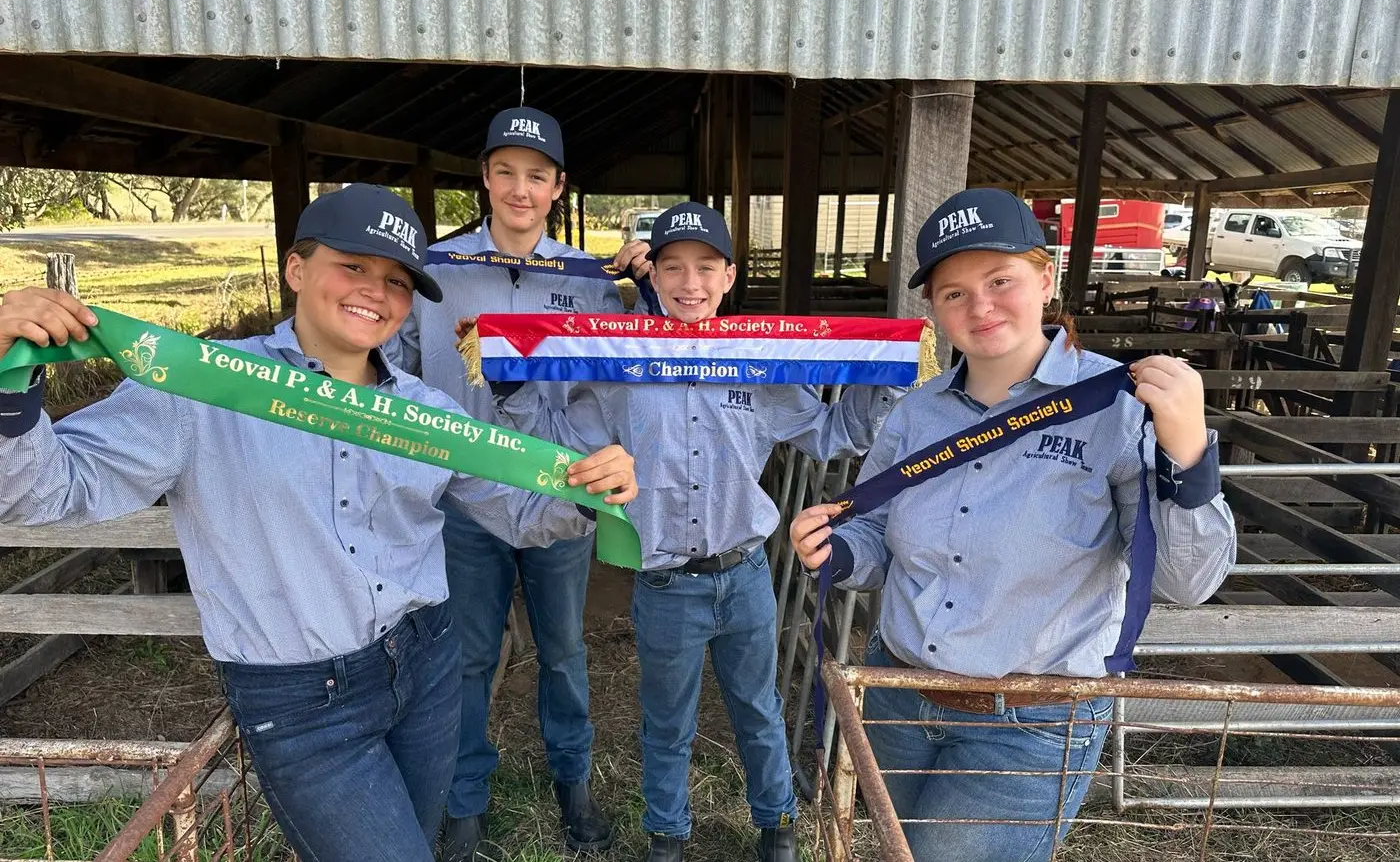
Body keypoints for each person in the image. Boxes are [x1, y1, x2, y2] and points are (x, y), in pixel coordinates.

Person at [0, 184, 638, 862]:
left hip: (424, 663)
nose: (377, 291)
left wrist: (590, 492)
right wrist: (12, 382)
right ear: (296, 269)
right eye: (353, 266)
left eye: (396, 280)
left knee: (416, 842)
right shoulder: (199, 390)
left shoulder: (429, 414)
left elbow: (516, 512)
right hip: (304, 702)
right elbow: (40, 492)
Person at [789, 187, 1236, 862]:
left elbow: (1187, 579)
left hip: (1031, 719)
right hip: (899, 693)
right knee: (888, 850)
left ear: (1046, 277)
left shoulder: (1117, 407)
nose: (980, 306)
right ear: (934, 310)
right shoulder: (916, 412)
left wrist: (1189, 450)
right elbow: (876, 533)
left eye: (1001, 280)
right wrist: (836, 552)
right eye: (953, 293)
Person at [485, 202, 902, 862]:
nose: (690, 282)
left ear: (729, 276)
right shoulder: (621, 362)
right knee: (667, 722)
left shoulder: (756, 364)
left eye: (706, 267)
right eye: (674, 266)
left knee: (758, 708)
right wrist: (509, 381)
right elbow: (560, 438)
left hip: (743, 576)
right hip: (667, 583)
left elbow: (831, 433)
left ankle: (778, 825)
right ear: (655, 274)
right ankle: (668, 834)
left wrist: (880, 370)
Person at [384, 105, 651, 860]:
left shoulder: (593, 281)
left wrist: (650, 284)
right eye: (506, 171)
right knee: (467, 654)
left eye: (537, 175)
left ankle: (574, 782)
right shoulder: (437, 272)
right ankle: (464, 795)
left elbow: (626, 377)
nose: (520, 188)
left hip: (560, 500)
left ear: (559, 186)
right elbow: (394, 367)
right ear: (486, 177)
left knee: (564, 650)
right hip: (467, 500)